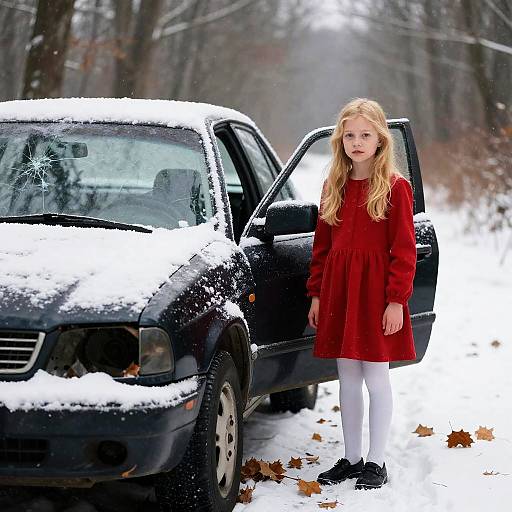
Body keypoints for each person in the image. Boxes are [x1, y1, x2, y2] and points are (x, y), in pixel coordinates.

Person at [306, 98, 417, 490]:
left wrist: (396, 300)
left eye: (365, 134)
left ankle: (376, 461)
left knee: (376, 376)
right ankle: (352, 457)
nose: (357, 141)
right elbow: (321, 247)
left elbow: (404, 250)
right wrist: (317, 294)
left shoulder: (395, 187)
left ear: (380, 139)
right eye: (350, 134)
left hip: (375, 293)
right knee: (346, 377)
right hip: (340, 291)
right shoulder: (333, 185)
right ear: (340, 140)